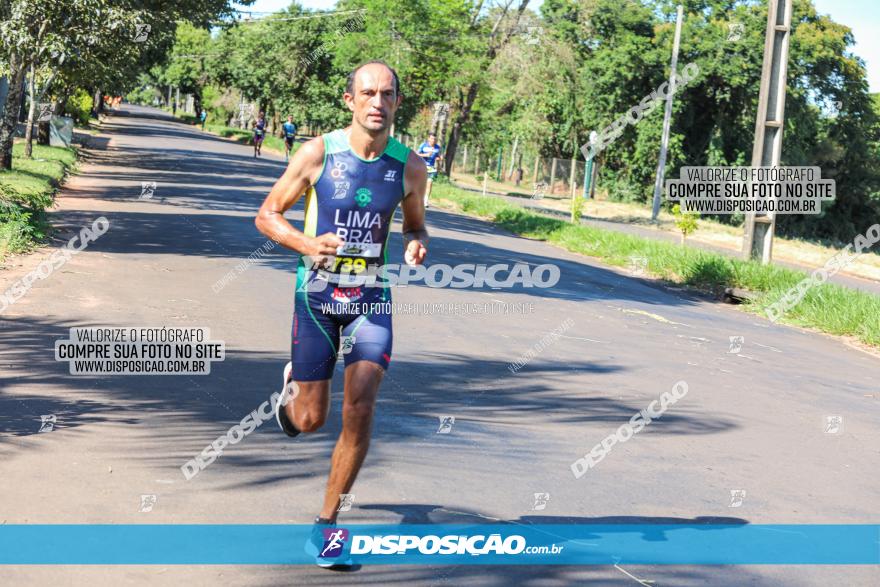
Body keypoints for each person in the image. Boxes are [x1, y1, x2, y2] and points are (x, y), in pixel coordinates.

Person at [254, 60, 428, 568]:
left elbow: (415, 227)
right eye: (368, 93)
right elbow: (267, 215)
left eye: (388, 94)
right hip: (317, 296)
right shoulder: (317, 154)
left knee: (361, 406)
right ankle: (291, 402)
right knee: (311, 420)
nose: (378, 102)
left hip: (371, 296)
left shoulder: (410, 167)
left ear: (398, 102)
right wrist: (308, 244)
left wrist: (416, 245)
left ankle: (326, 527)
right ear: (350, 100)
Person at [416, 133, 442, 207]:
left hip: (431, 168)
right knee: (420, 184)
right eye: (432, 138)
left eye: (435, 139)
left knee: (429, 183)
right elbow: (416, 154)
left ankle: (425, 201)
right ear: (429, 139)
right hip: (421, 166)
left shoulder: (438, 147)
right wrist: (426, 155)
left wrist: (439, 159)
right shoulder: (423, 145)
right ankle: (417, 197)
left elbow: (439, 157)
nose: (433, 140)